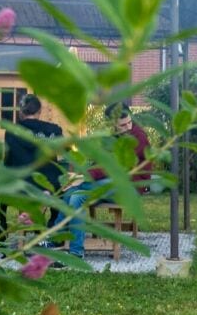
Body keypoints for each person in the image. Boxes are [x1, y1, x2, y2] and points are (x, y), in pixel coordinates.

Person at [62, 103, 150, 258]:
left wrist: (82, 177)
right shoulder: (111, 137)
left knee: (77, 193)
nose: (128, 127)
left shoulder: (138, 137)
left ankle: (74, 251)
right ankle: (60, 240)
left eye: (129, 122)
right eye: (122, 125)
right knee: (70, 193)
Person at [0, 94, 64, 235]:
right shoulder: (55, 130)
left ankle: (3, 232)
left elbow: (8, 161)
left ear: (20, 112)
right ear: (39, 112)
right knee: (59, 187)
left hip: (22, 185)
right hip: (50, 184)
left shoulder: (11, 131)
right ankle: (51, 225)